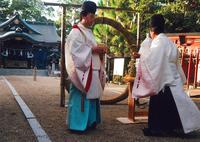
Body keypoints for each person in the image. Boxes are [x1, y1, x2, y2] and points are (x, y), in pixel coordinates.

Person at [132, 14, 200, 136]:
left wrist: (140, 56)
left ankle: (160, 129)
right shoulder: (169, 43)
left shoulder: (159, 43)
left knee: (160, 107)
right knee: (180, 106)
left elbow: (153, 61)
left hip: (164, 81)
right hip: (173, 79)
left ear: (152, 29)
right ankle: (177, 128)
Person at [65, 1, 107, 132]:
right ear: (84, 15)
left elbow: (88, 49)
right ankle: (76, 124)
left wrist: (99, 51)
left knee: (93, 95)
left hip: (92, 69)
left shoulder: (88, 31)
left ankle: (90, 121)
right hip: (82, 71)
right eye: (92, 15)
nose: (93, 18)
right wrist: (94, 50)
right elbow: (75, 53)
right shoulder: (75, 32)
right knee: (81, 95)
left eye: (94, 15)